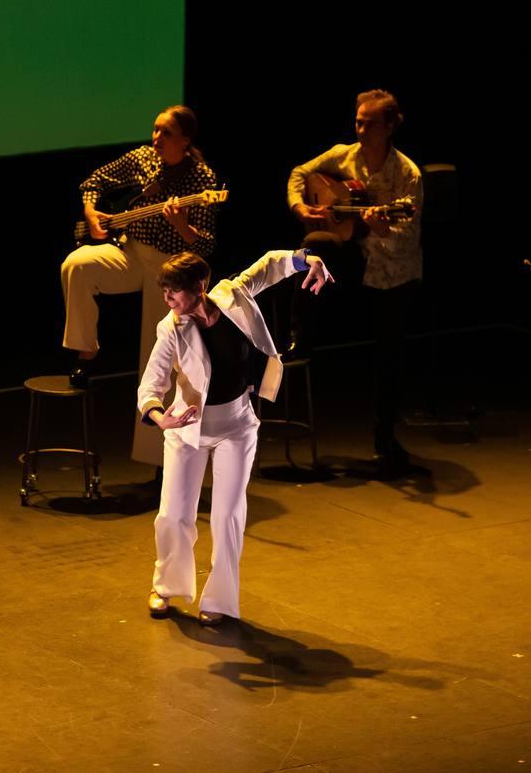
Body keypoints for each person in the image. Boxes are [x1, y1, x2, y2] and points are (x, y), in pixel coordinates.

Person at [139, 248, 332, 625]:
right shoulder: (170, 328)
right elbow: (151, 385)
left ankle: (220, 601)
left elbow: (270, 266)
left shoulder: (233, 295)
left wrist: (308, 259)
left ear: (199, 286)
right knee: (173, 516)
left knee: (227, 516)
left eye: (173, 292)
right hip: (186, 428)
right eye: (164, 292)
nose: (167, 300)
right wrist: (160, 418)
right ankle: (165, 587)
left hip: (236, 426)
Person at [61, 105, 220, 469]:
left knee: (158, 360)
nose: (156, 139)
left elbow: (206, 245)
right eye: (155, 130)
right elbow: (94, 181)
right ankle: (85, 351)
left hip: (171, 270)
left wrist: (182, 226)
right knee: (77, 265)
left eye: (165, 133)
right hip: (131, 253)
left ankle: (160, 461)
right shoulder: (142, 159)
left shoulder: (202, 179)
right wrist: (91, 213)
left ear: (185, 140)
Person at [286, 89, 422, 467]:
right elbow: (300, 174)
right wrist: (300, 206)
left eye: (370, 123)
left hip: (393, 270)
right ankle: (300, 335)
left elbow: (407, 235)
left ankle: (385, 439)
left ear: (391, 126)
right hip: (352, 256)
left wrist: (378, 229)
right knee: (314, 241)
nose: (361, 129)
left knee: (389, 356)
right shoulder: (343, 155)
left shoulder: (406, 175)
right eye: (358, 121)